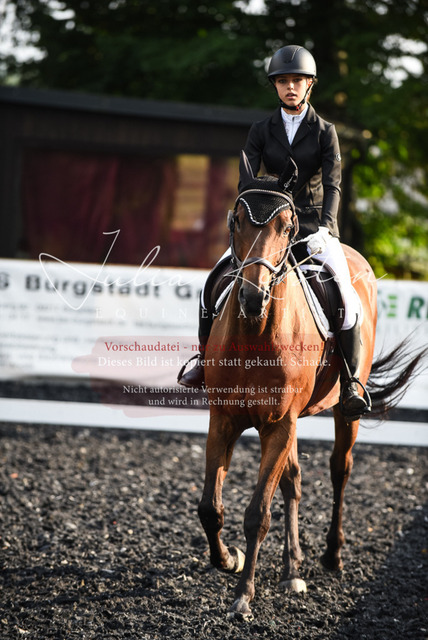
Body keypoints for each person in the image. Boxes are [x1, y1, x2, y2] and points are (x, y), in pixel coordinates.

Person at [178, 44, 368, 420]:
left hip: (311, 229)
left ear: (310, 84)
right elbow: (246, 183)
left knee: (347, 299)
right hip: (267, 229)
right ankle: (203, 362)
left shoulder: (325, 132)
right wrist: (251, 221)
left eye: (297, 80)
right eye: (283, 81)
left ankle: (351, 383)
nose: (290, 87)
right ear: (276, 87)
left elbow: (333, 185)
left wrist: (327, 228)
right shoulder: (261, 130)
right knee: (212, 283)